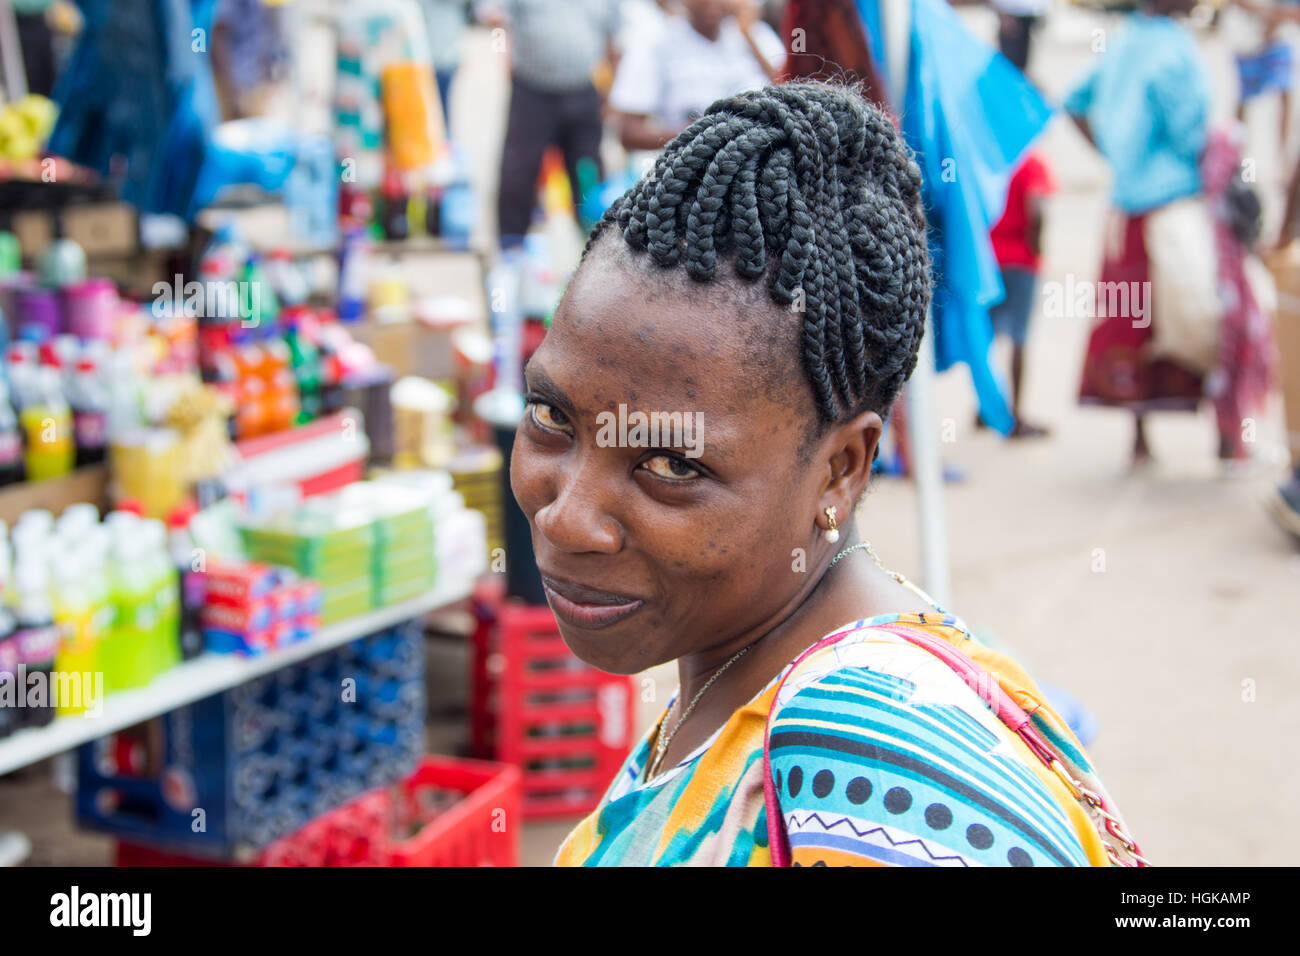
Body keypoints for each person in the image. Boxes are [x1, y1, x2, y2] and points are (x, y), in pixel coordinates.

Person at [511, 82, 1143, 866]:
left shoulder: (870, 778)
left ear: (840, 471)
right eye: (550, 417)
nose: (567, 516)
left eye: (670, 464)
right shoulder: (742, 684)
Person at [1064, 0, 1220, 467]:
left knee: (1131, 324)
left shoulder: (1123, 40)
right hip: (1173, 209)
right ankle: (1227, 436)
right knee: (1199, 316)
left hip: (1126, 210)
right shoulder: (1176, 50)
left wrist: (1114, 158)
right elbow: (1192, 134)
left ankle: (1139, 437)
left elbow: (1074, 102)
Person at [477, 0, 622, 247]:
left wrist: (611, 94)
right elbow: (493, 14)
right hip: (532, 92)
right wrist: (503, 54)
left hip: (584, 92)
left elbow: (613, 39)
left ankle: (597, 250)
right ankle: (511, 251)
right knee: (518, 174)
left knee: (588, 175)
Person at [608, 0, 785, 157]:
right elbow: (629, 133)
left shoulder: (752, 31)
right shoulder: (656, 40)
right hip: (690, 166)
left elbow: (793, 93)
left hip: (759, 162)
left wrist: (749, 38)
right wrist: (696, 135)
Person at [983, 149, 1054, 437]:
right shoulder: (1032, 162)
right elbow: (1039, 208)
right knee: (1019, 339)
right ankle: (1015, 413)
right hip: (1021, 262)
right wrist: (1037, 246)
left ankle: (987, 407)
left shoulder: (990, 159)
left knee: (988, 337)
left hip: (989, 259)